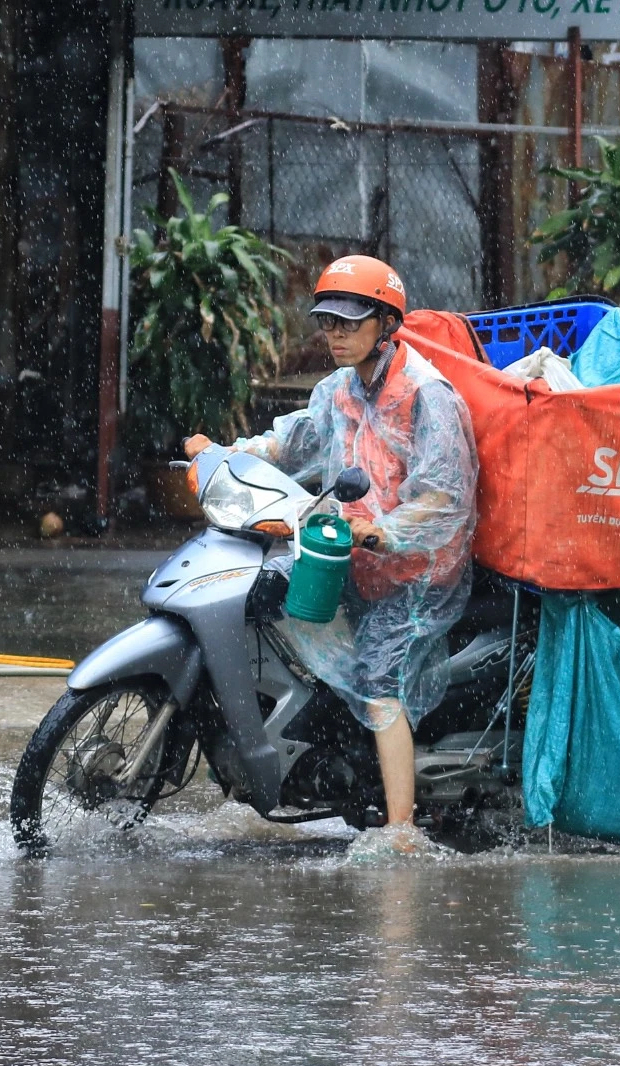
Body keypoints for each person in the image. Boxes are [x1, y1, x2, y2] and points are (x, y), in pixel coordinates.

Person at [183, 255, 478, 855]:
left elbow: (444, 498)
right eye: (328, 322)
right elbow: (292, 441)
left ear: (386, 323)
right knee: (265, 605)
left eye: (350, 321)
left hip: (416, 575)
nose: (336, 334)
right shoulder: (338, 391)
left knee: (378, 679)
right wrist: (221, 453)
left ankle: (401, 831)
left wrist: (385, 531)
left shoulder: (427, 396)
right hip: (350, 555)